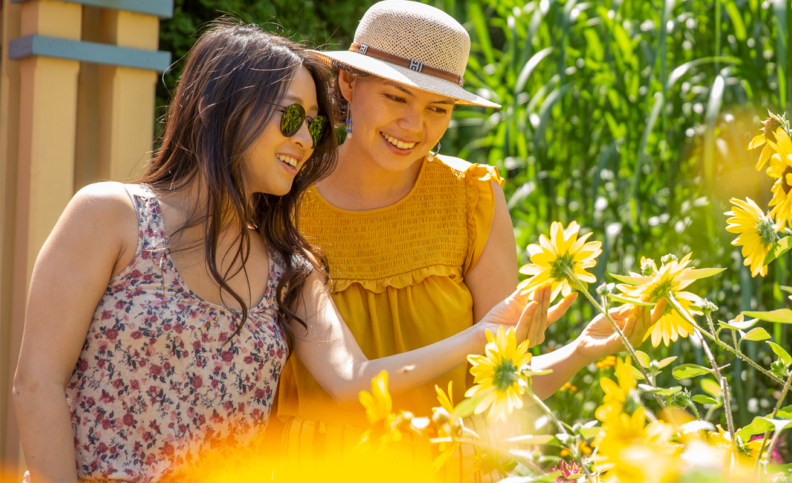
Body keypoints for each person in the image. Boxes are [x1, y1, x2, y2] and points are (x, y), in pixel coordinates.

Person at [10, 20, 563, 483]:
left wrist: (490, 333)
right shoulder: (111, 215)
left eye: (314, 127)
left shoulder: (289, 264)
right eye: (291, 117)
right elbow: (37, 383)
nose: (304, 140)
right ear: (220, 106)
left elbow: (354, 380)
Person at [269, 2, 663, 478]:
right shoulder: (281, 193)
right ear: (349, 83)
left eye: (438, 108)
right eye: (396, 98)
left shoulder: (470, 197)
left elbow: (500, 379)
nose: (415, 126)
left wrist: (578, 351)